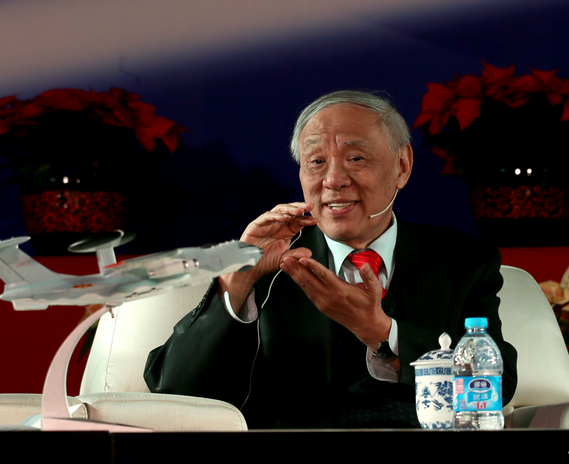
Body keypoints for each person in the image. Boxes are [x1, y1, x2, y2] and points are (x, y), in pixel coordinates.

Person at [144, 90, 518, 429]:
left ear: (402, 166)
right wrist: (238, 280)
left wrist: (382, 333)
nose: (333, 179)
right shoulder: (269, 259)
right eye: (317, 162)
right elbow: (174, 391)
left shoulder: (462, 261)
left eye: (355, 158)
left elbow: (496, 386)